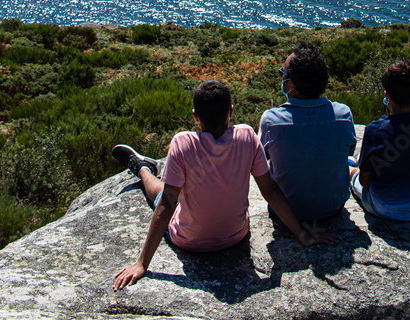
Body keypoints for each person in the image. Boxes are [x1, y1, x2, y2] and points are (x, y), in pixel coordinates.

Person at [112, 79, 339, 290]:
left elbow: (167, 205)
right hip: (235, 235)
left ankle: (143, 169)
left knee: (163, 193)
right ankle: (145, 168)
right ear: (230, 112)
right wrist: (301, 233)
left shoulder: (182, 143)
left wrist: (142, 263)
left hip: (188, 241)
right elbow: (269, 190)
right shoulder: (247, 137)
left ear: (195, 116)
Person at [259, 40, 357, 221]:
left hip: (287, 212)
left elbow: (261, 160)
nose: (281, 78)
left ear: (291, 85)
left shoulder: (271, 121)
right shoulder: (343, 115)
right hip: (333, 207)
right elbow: (347, 151)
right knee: (350, 160)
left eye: (283, 73)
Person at [349, 59, 410, 220]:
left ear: (387, 96)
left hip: (384, 207)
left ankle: (351, 166)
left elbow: (365, 183)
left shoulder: (375, 130)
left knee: (352, 172)